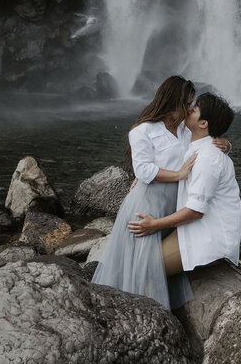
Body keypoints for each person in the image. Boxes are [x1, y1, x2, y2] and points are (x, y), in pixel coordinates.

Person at [91, 76, 229, 309]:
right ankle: (131, 312)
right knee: (139, 263)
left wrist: (226, 145)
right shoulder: (142, 131)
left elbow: (204, 144)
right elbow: (143, 169)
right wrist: (178, 175)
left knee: (157, 260)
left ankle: (159, 312)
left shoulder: (185, 130)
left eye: (190, 104)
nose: (188, 109)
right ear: (171, 101)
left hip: (173, 203)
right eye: (185, 103)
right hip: (147, 202)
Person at [127, 92, 241, 278]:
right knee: (135, 257)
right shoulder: (194, 143)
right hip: (194, 228)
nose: (188, 110)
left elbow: (196, 211)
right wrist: (145, 172)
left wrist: (155, 224)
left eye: (194, 109)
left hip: (208, 236)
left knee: (142, 268)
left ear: (204, 123)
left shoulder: (207, 158)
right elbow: (163, 150)